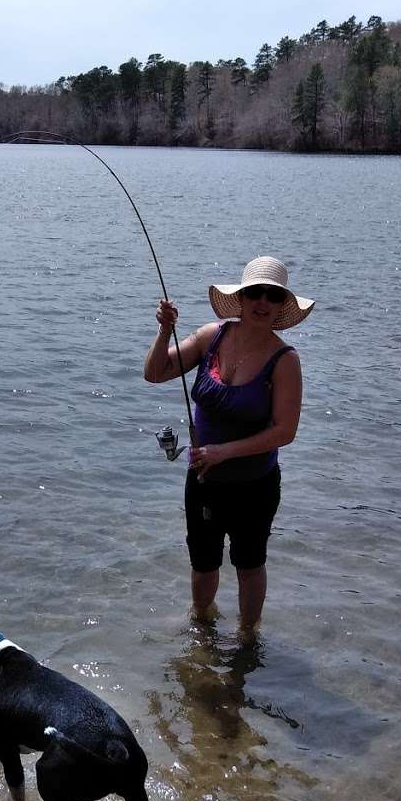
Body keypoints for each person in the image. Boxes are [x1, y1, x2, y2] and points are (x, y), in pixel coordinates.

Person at [143, 255, 314, 635]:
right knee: (202, 563)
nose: (263, 302)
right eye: (256, 293)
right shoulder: (210, 337)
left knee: (249, 564)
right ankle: (201, 625)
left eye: (273, 296)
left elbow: (285, 431)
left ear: (281, 306)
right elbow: (155, 374)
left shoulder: (285, 361)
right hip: (203, 481)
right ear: (241, 297)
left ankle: (247, 634)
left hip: (255, 485)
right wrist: (163, 331)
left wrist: (224, 452)